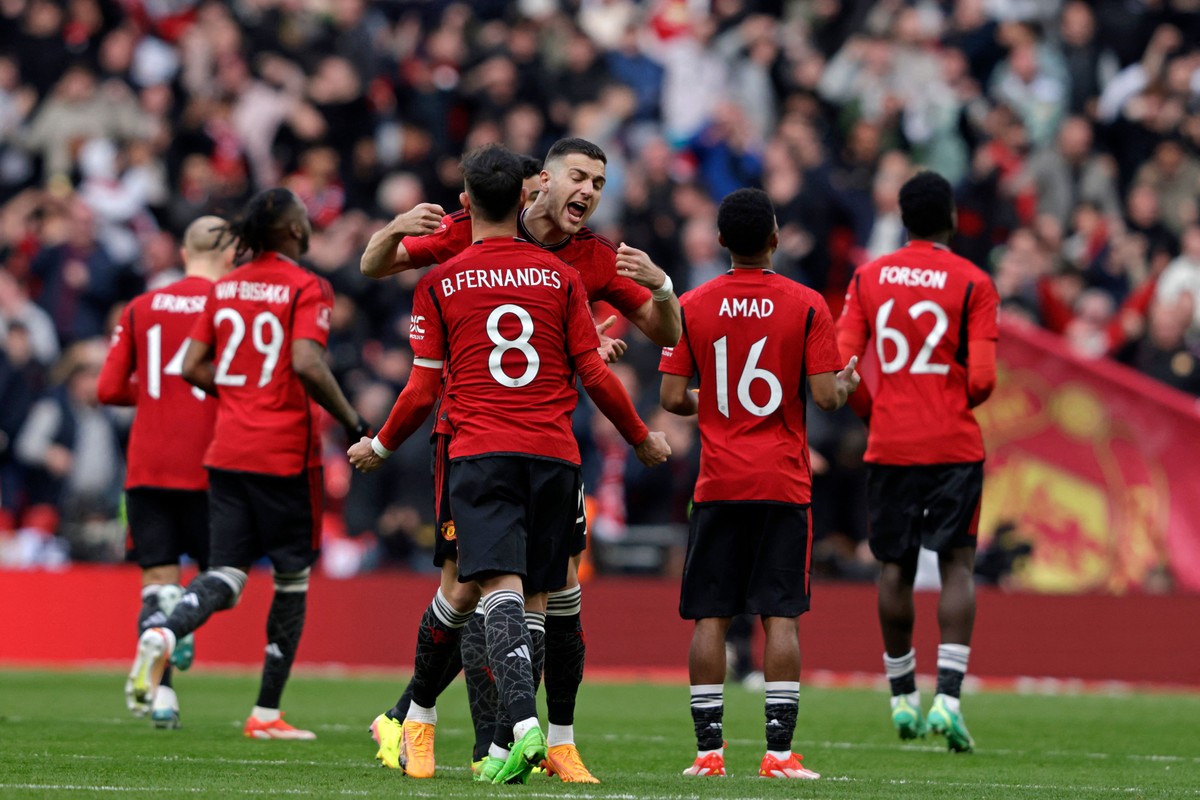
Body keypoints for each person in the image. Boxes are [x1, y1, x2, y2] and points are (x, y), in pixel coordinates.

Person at [348, 144, 671, 784]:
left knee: (541, 591)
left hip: (546, 440)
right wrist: (390, 229)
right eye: (579, 177)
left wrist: (656, 290)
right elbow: (373, 266)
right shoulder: (470, 238)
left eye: (599, 183)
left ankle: (495, 736)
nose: (588, 192)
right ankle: (448, 727)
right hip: (468, 435)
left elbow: (665, 333)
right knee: (472, 584)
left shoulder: (594, 259)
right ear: (538, 186)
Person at [125, 188, 371, 739]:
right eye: (302, 219)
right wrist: (355, 422)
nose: (308, 226)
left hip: (227, 451)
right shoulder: (308, 286)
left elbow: (192, 365)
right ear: (289, 231)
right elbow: (306, 361)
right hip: (284, 455)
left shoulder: (226, 285)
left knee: (227, 573)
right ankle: (265, 714)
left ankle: (164, 632)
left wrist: (237, 394)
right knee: (291, 579)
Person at [659, 188, 859, 780]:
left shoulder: (693, 304)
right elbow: (825, 395)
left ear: (720, 242)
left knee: (711, 618)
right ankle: (777, 755)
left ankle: (708, 754)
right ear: (774, 238)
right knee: (781, 617)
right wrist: (845, 385)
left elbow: (671, 397)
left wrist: (716, 399)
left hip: (719, 481)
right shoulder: (806, 305)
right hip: (782, 479)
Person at [835, 171, 999, 753]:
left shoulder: (870, 277)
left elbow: (840, 368)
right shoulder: (974, 281)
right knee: (956, 567)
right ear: (950, 219)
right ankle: (948, 701)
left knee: (894, 568)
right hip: (953, 443)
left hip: (893, 442)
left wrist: (874, 413)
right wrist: (952, 399)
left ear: (903, 220)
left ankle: (902, 695)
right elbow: (982, 379)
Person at [100, 216, 234, 729]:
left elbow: (110, 390)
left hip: (148, 465)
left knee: (156, 584)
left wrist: (158, 393)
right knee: (221, 574)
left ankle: (162, 699)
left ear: (183, 252)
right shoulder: (230, 306)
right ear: (229, 258)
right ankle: (183, 621)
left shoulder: (140, 306)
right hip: (211, 464)